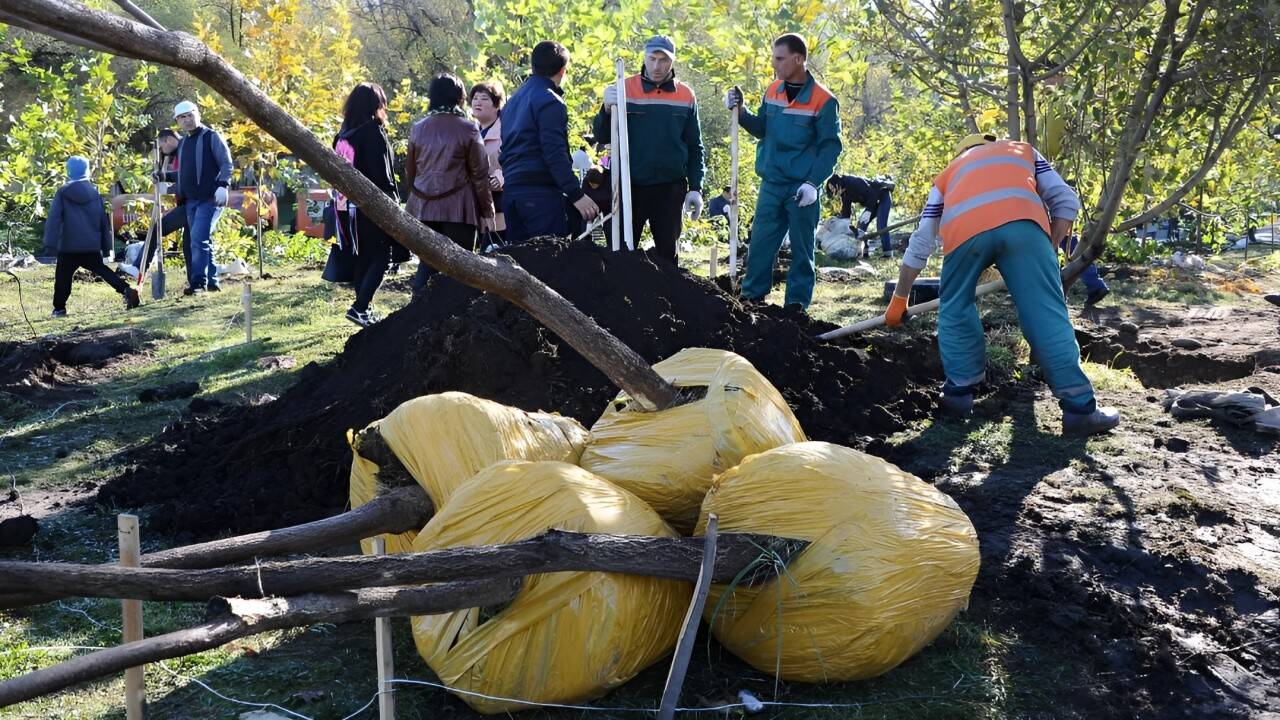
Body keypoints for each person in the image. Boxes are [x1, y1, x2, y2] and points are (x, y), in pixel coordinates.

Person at [885, 132, 1120, 436]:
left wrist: (900, 298)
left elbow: (921, 242)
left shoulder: (948, 174)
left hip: (964, 236)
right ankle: (1080, 410)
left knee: (954, 306)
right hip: (1025, 228)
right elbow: (1066, 200)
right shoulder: (1021, 151)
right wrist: (1047, 249)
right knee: (1046, 315)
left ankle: (958, 395)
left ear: (961, 153)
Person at [725, 33, 842, 310]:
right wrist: (740, 113)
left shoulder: (823, 100)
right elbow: (763, 129)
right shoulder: (772, 91)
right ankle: (753, 300)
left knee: (802, 252)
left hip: (801, 188)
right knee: (760, 246)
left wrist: (813, 184)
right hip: (772, 184)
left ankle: (796, 310)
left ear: (798, 59)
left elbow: (830, 148)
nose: (773, 63)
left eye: (779, 58)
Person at [593, 35, 705, 262]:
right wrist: (605, 109)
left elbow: (695, 146)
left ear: (673, 61)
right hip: (629, 186)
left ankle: (667, 297)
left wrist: (695, 187)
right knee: (622, 253)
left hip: (669, 188)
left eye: (663, 60)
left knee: (667, 254)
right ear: (644, 57)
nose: (656, 66)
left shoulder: (685, 95)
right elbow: (602, 136)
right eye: (652, 58)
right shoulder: (624, 88)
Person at [499, 40, 599, 244]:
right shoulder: (551, 101)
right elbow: (554, 153)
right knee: (549, 262)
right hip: (540, 194)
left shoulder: (512, 102)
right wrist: (576, 194)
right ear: (563, 71)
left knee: (519, 263)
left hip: (512, 191)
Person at [406, 73, 497, 292]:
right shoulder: (468, 129)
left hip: (423, 208)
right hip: (459, 210)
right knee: (461, 269)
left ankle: (418, 316)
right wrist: (488, 212)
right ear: (460, 97)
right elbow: (480, 175)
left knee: (427, 265)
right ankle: (456, 320)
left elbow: (411, 172)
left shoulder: (419, 128)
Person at [332, 82, 401, 327]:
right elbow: (382, 174)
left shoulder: (342, 135)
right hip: (371, 206)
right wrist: (393, 203)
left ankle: (364, 307)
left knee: (362, 256)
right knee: (382, 254)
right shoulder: (372, 132)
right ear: (376, 105)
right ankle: (360, 307)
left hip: (344, 208)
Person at [46, 156, 140, 316]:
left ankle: (59, 308)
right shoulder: (94, 193)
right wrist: (106, 246)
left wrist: (50, 243)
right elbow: (103, 221)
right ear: (87, 171)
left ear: (69, 172)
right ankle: (126, 289)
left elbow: (54, 218)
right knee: (102, 270)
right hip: (90, 244)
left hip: (69, 246)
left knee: (63, 277)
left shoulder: (62, 193)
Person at [172, 100, 232, 295]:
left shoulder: (211, 137)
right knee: (202, 240)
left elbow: (226, 164)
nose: (187, 120)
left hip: (210, 199)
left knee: (198, 240)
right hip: (190, 200)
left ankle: (199, 283)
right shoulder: (183, 143)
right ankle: (212, 282)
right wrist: (164, 176)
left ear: (198, 114)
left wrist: (223, 185)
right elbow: (183, 173)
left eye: (190, 115)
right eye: (182, 117)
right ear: (178, 122)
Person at [470, 81, 506, 245]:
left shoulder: (506, 130)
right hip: (478, 200)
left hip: (500, 199)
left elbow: (513, 160)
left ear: (497, 105)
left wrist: (499, 177)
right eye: (475, 98)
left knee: (497, 248)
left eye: (484, 98)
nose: (477, 102)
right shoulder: (471, 132)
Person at [825, 173, 894, 257]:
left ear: (837, 183)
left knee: (881, 225)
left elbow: (872, 194)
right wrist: (844, 223)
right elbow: (846, 211)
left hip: (882, 197)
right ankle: (865, 253)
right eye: (831, 189)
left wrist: (868, 211)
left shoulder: (853, 182)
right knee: (861, 228)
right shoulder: (844, 193)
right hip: (872, 203)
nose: (832, 190)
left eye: (832, 187)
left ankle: (888, 254)